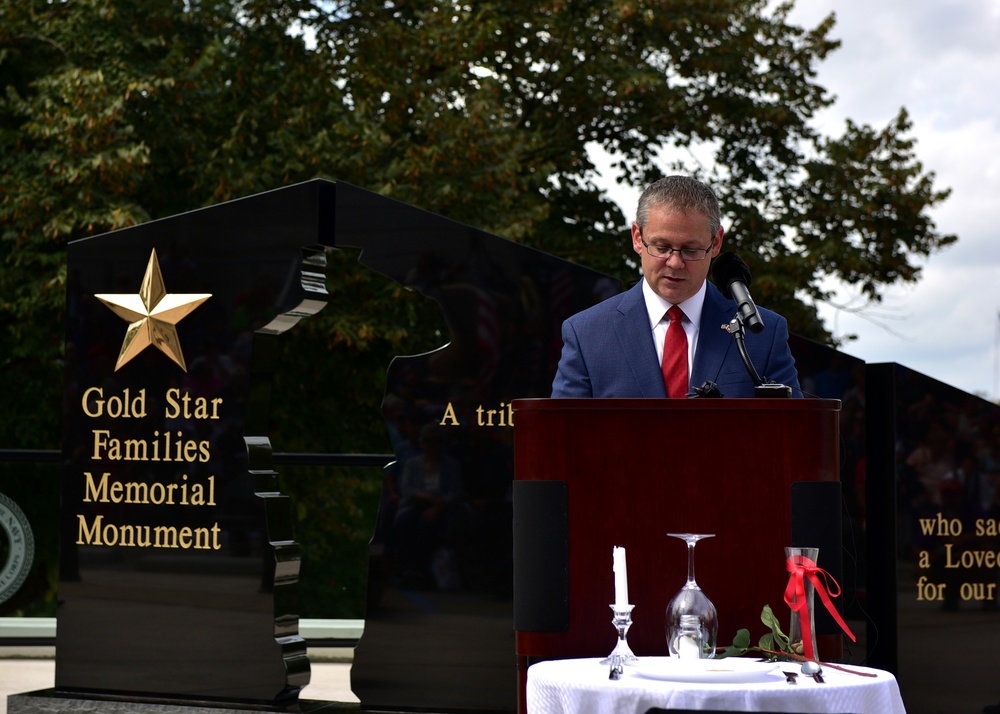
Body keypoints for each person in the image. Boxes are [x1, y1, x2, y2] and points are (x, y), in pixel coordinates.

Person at [551, 176, 800, 398]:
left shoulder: (764, 334)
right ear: (637, 237)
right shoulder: (587, 334)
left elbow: (792, 440)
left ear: (716, 243)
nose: (675, 262)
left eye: (691, 250)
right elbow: (561, 440)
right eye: (661, 247)